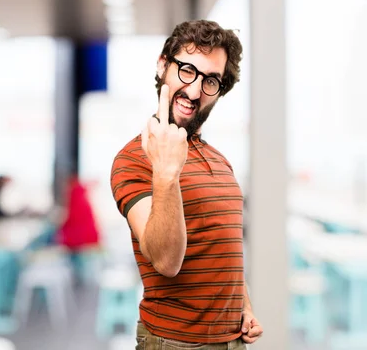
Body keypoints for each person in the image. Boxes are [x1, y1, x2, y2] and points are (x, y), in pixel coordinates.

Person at [110, 20, 263, 348]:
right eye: (187, 70)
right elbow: (166, 262)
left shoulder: (220, 161)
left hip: (232, 341)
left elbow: (223, 248)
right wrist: (166, 171)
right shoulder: (135, 158)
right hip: (175, 342)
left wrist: (244, 306)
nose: (194, 91)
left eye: (210, 81)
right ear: (164, 65)